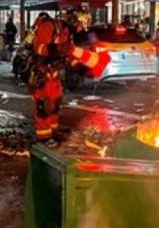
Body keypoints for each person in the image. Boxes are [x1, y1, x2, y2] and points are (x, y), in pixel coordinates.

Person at [26, 11, 110, 143]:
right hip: (41, 72)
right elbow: (39, 48)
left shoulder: (67, 34)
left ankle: (53, 132)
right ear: (74, 21)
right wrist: (57, 49)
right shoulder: (49, 26)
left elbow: (69, 56)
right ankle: (43, 138)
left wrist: (83, 70)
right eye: (81, 25)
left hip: (54, 73)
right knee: (44, 105)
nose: (81, 29)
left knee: (55, 104)